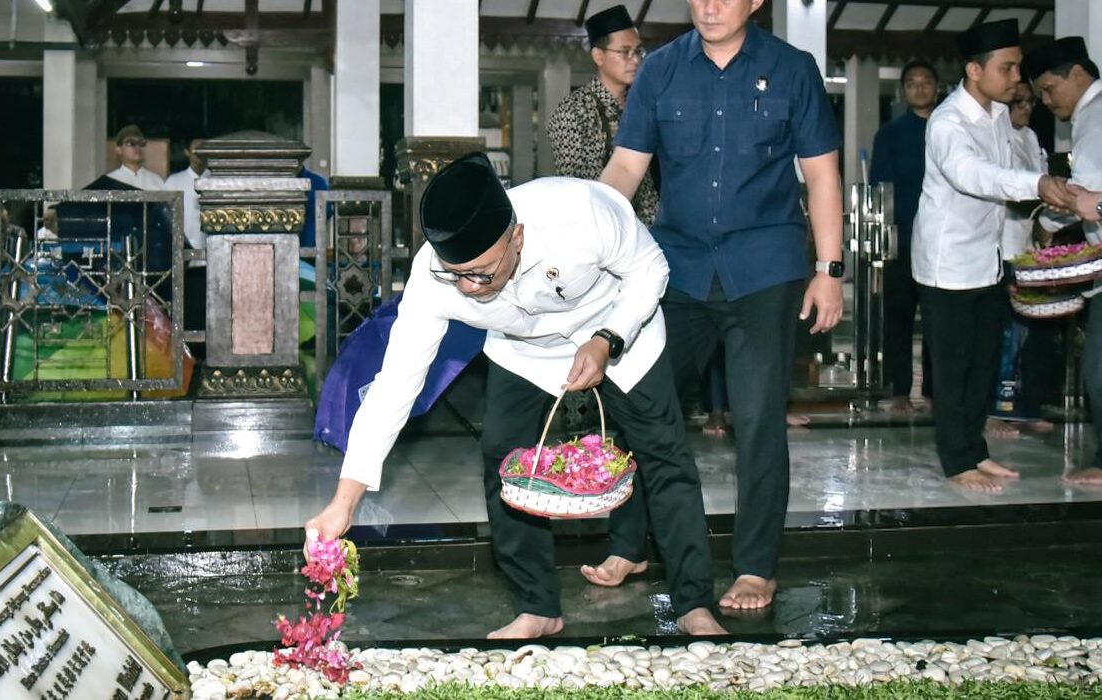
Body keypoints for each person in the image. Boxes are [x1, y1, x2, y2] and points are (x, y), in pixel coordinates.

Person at [305, 153, 725, 639]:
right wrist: (345, 499)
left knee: (664, 454)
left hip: (619, 330)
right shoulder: (432, 279)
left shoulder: (580, 213)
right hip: (523, 350)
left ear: (517, 238)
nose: (467, 287)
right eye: (454, 273)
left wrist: (608, 339)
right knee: (502, 461)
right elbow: (396, 383)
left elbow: (651, 268)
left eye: (481, 273)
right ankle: (538, 605)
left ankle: (694, 603)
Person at [596, 0, 844, 611]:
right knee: (642, 404)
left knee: (758, 419)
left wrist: (830, 270)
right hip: (676, 267)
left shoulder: (793, 69)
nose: (709, 6)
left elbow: (821, 175)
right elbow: (628, 166)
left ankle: (756, 567)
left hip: (764, 268)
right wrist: (588, 232)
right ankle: (631, 543)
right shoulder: (660, 70)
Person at [911, 19, 1074, 493]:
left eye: (1018, 67)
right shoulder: (948, 122)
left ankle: (976, 451)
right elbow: (975, 175)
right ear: (974, 71)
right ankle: (956, 459)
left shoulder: (1000, 116)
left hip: (988, 257)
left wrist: (1051, 192)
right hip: (947, 264)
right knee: (953, 365)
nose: (1016, 78)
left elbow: (1011, 175)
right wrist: (1038, 185)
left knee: (983, 362)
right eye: (1007, 68)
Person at [1023, 37, 1102, 486]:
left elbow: (1085, 193)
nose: (1046, 102)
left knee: (1099, 366)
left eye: (1050, 89)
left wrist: (1046, 219)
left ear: (1078, 74)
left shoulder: (1094, 116)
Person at [546, 4, 659, 225]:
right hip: (603, 231)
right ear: (599, 55)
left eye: (638, 51)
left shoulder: (643, 105)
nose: (635, 60)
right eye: (624, 52)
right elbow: (573, 187)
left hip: (652, 231)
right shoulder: (574, 111)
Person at [986, 80, 1054, 439]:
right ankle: (996, 409)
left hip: (1028, 250)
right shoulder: (996, 138)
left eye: (1031, 102)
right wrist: (1044, 196)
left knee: (1029, 333)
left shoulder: (1029, 138)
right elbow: (1008, 190)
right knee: (1005, 335)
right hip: (1001, 248)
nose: (1027, 108)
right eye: (1019, 102)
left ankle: (1026, 408)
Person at [870, 60, 939, 414]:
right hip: (903, 239)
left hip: (943, 242)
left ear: (937, 87)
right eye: (911, 83)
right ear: (903, 91)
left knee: (937, 319)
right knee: (897, 317)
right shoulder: (890, 134)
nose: (919, 88)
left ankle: (932, 391)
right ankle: (898, 390)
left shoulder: (949, 130)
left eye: (926, 81)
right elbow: (879, 188)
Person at [164, 137, 207, 250]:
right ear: (187, 152)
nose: (199, 153)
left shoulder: (216, 180)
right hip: (181, 252)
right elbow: (166, 217)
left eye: (204, 148)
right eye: (196, 149)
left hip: (211, 251)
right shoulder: (173, 181)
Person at [106, 124, 166, 191]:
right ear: (119, 150)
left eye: (140, 144)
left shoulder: (156, 180)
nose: (137, 147)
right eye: (131, 144)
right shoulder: (110, 181)